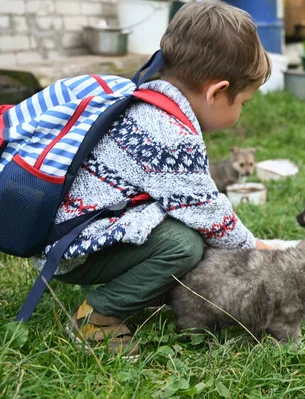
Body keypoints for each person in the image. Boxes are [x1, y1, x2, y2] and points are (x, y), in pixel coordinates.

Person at [40, 1, 273, 360]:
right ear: (216, 92)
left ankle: (156, 292)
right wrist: (261, 249)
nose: (241, 112)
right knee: (184, 244)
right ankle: (99, 316)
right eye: (244, 101)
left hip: (68, 232)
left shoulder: (147, 99)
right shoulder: (170, 133)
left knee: (182, 229)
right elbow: (212, 217)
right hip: (74, 249)